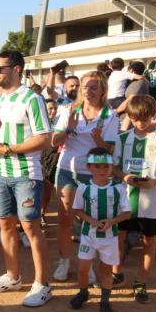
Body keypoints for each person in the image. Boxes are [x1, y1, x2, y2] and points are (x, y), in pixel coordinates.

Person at [0, 50, 54, 307]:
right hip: (1, 173)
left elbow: (45, 138)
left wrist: (9, 150)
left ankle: (42, 284)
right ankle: (13, 276)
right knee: (4, 225)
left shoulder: (32, 99)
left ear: (17, 70)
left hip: (26, 174)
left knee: (31, 228)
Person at [51, 71, 119, 282]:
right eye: (84, 87)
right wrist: (68, 129)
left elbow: (107, 151)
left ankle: (86, 264)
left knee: (90, 222)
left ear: (102, 91)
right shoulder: (69, 110)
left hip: (94, 175)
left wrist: (97, 138)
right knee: (64, 220)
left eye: (93, 87)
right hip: (66, 171)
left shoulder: (109, 115)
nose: (88, 91)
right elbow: (54, 141)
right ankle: (64, 261)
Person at [113, 95, 156, 303]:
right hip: (125, 200)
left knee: (149, 241)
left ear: (153, 115)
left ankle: (141, 281)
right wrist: (126, 177)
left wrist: (154, 183)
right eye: (135, 118)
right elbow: (114, 168)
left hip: (152, 202)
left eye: (145, 118)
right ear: (130, 118)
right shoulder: (122, 139)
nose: (140, 122)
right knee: (119, 237)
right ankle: (117, 273)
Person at [69, 148, 131, 312]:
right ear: (89, 168)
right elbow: (77, 210)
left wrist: (112, 222)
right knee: (82, 269)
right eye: (97, 167)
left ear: (112, 167)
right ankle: (83, 293)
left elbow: (127, 213)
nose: (102, 170)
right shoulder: (84, 187)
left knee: (106, 270)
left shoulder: (118, 188)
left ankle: (105, 302)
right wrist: (91, 221)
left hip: (110, 238)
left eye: (106, 166)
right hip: (88, 235)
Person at [40, 99, 61, 226]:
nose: (53, 111)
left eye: (54, 108)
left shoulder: (59, 123)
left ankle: (42, 213)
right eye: (50, 108)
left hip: (53, 158)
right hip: (39, 157)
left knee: (47, 188)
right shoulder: (39, 122)